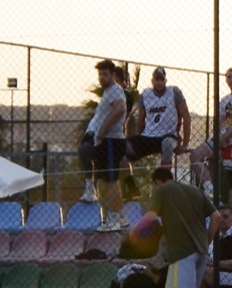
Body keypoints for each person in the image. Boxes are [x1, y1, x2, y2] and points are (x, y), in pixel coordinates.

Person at [144, 166, 216, 288]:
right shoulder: (195, 190)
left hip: (181, 251)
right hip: (199, 251)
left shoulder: (161, 192)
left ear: (158, 182)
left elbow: (150, 219)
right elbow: (216, 216)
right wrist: (207, 241)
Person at [192, 68, 232, 208]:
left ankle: (230, 213)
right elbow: (220, 122)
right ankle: (211, 190)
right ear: (226, 79)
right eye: (229, 77)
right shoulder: (224, 100)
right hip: (223, 138)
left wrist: (225, 136)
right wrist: (219, 137)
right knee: (196, 156)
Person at [79, 59, 130, 219]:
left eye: (105, 74)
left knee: (111, 180)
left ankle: (116, 216)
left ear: (113, 75)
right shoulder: (108, 92)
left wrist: (102, 131)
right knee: (103, 179)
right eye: (100, 74)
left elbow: (120, 109)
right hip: (102, 141)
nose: (102, 77)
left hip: (110, 141)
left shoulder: (115, 90)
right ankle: (117, 214)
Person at [126, 68, 192, 169]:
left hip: (169, 135)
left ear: (165, 81)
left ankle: (165, 179)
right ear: (152, 81)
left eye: (162, 80)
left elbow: (186, 117)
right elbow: (140, 120)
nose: (159, 83)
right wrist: (140, 137)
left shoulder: (174, 92)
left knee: (167, 144)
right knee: (125, 147)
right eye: (157, 80)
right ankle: (130, 182)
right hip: (149, 135)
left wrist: (185, 144)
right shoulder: (145, 94)